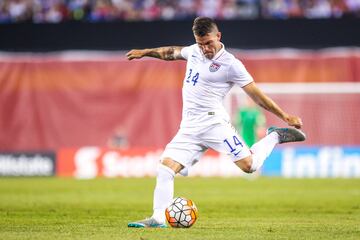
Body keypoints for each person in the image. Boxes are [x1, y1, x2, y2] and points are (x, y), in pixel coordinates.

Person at [126, 16, 306, 228]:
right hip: (189, 127)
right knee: (165, 168)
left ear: (218, 36)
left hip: (215, 125)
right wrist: (144, 52)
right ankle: (157, 218)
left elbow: (256, 96)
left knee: (250, 166)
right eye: (201, 44)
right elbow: (170, 52)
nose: (205, 49)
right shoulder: (194, 51)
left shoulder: (231, 64)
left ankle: (274, 136)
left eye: (208, 43)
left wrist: (285, 116)